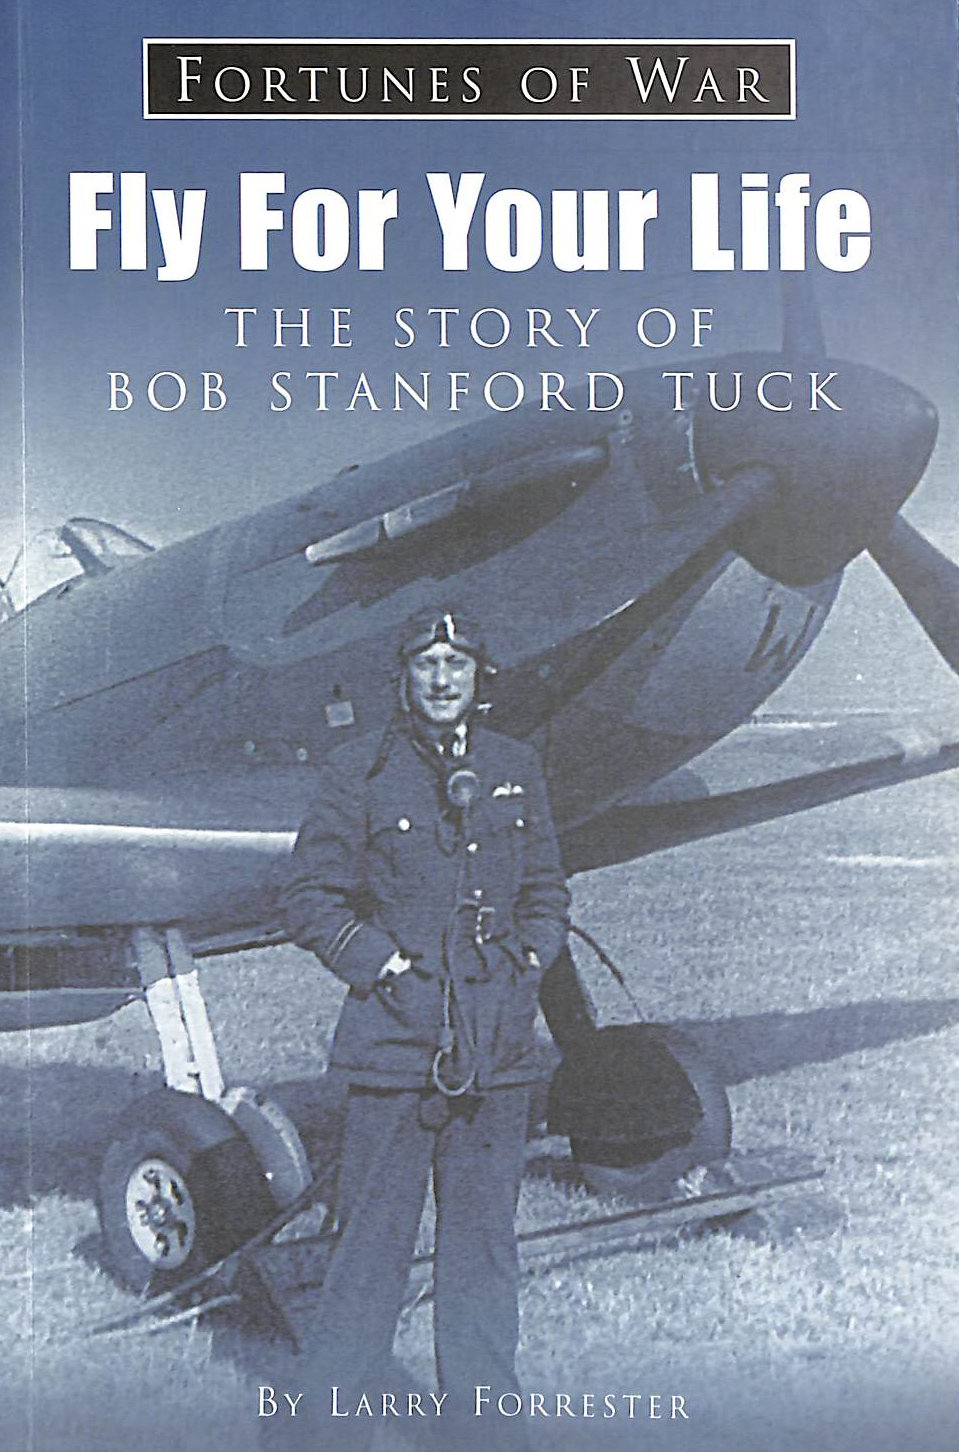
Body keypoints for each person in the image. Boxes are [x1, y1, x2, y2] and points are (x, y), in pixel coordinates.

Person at [277, 606, 570, 1447]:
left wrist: (527, 961)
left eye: (457, 664)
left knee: (482, 1255)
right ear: (402, 677)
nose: (443, 680)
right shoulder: (358, 770)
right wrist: (386, 968)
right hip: (394, 1045)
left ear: (480, 676)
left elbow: (545, 890)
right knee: (368, 1255)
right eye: (426, 664)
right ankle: (326, 1433)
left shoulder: (514, 766)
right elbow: (309, 898)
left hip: (497, 1049)